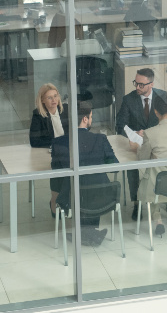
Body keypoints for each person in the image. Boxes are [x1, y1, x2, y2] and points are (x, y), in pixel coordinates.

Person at [115, 68, 167, 218]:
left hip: (159, 144)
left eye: (141, 85)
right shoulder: (128, 99)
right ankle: (137, 204)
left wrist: (154, 133)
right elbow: (120, 125)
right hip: (137, 145)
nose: (137, 87)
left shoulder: (163, 96)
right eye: (136, 83)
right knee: (133, 166)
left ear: (151, 84)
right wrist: (133, 135)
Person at [50, 102, 118, 247]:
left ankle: (85, 233)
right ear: (85, 119)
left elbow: (56, 175)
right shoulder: (100, 139)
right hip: (102, 199)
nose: (91, 120)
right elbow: (115, 167)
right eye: (91, 117)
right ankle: (89, 233)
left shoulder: (58, 143)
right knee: (91, 186)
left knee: (80, 187)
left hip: (72, 200)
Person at [128, 100, 167, 238]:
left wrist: (136, 147)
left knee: (150, 175)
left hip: (159, 187)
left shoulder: (150, 133)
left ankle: (158, 221)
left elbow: (143, 159)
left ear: (155, 112)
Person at [29, 84, 71, 216]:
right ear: (42, 100)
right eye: (49, 97)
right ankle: (55, 200)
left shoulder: (67, 111)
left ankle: (68, 199)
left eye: (55, 96)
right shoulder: (38, 115)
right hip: (52, 151)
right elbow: (34, 141)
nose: (54, 100)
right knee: (58, 165)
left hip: (68, 149)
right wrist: (55, 142)